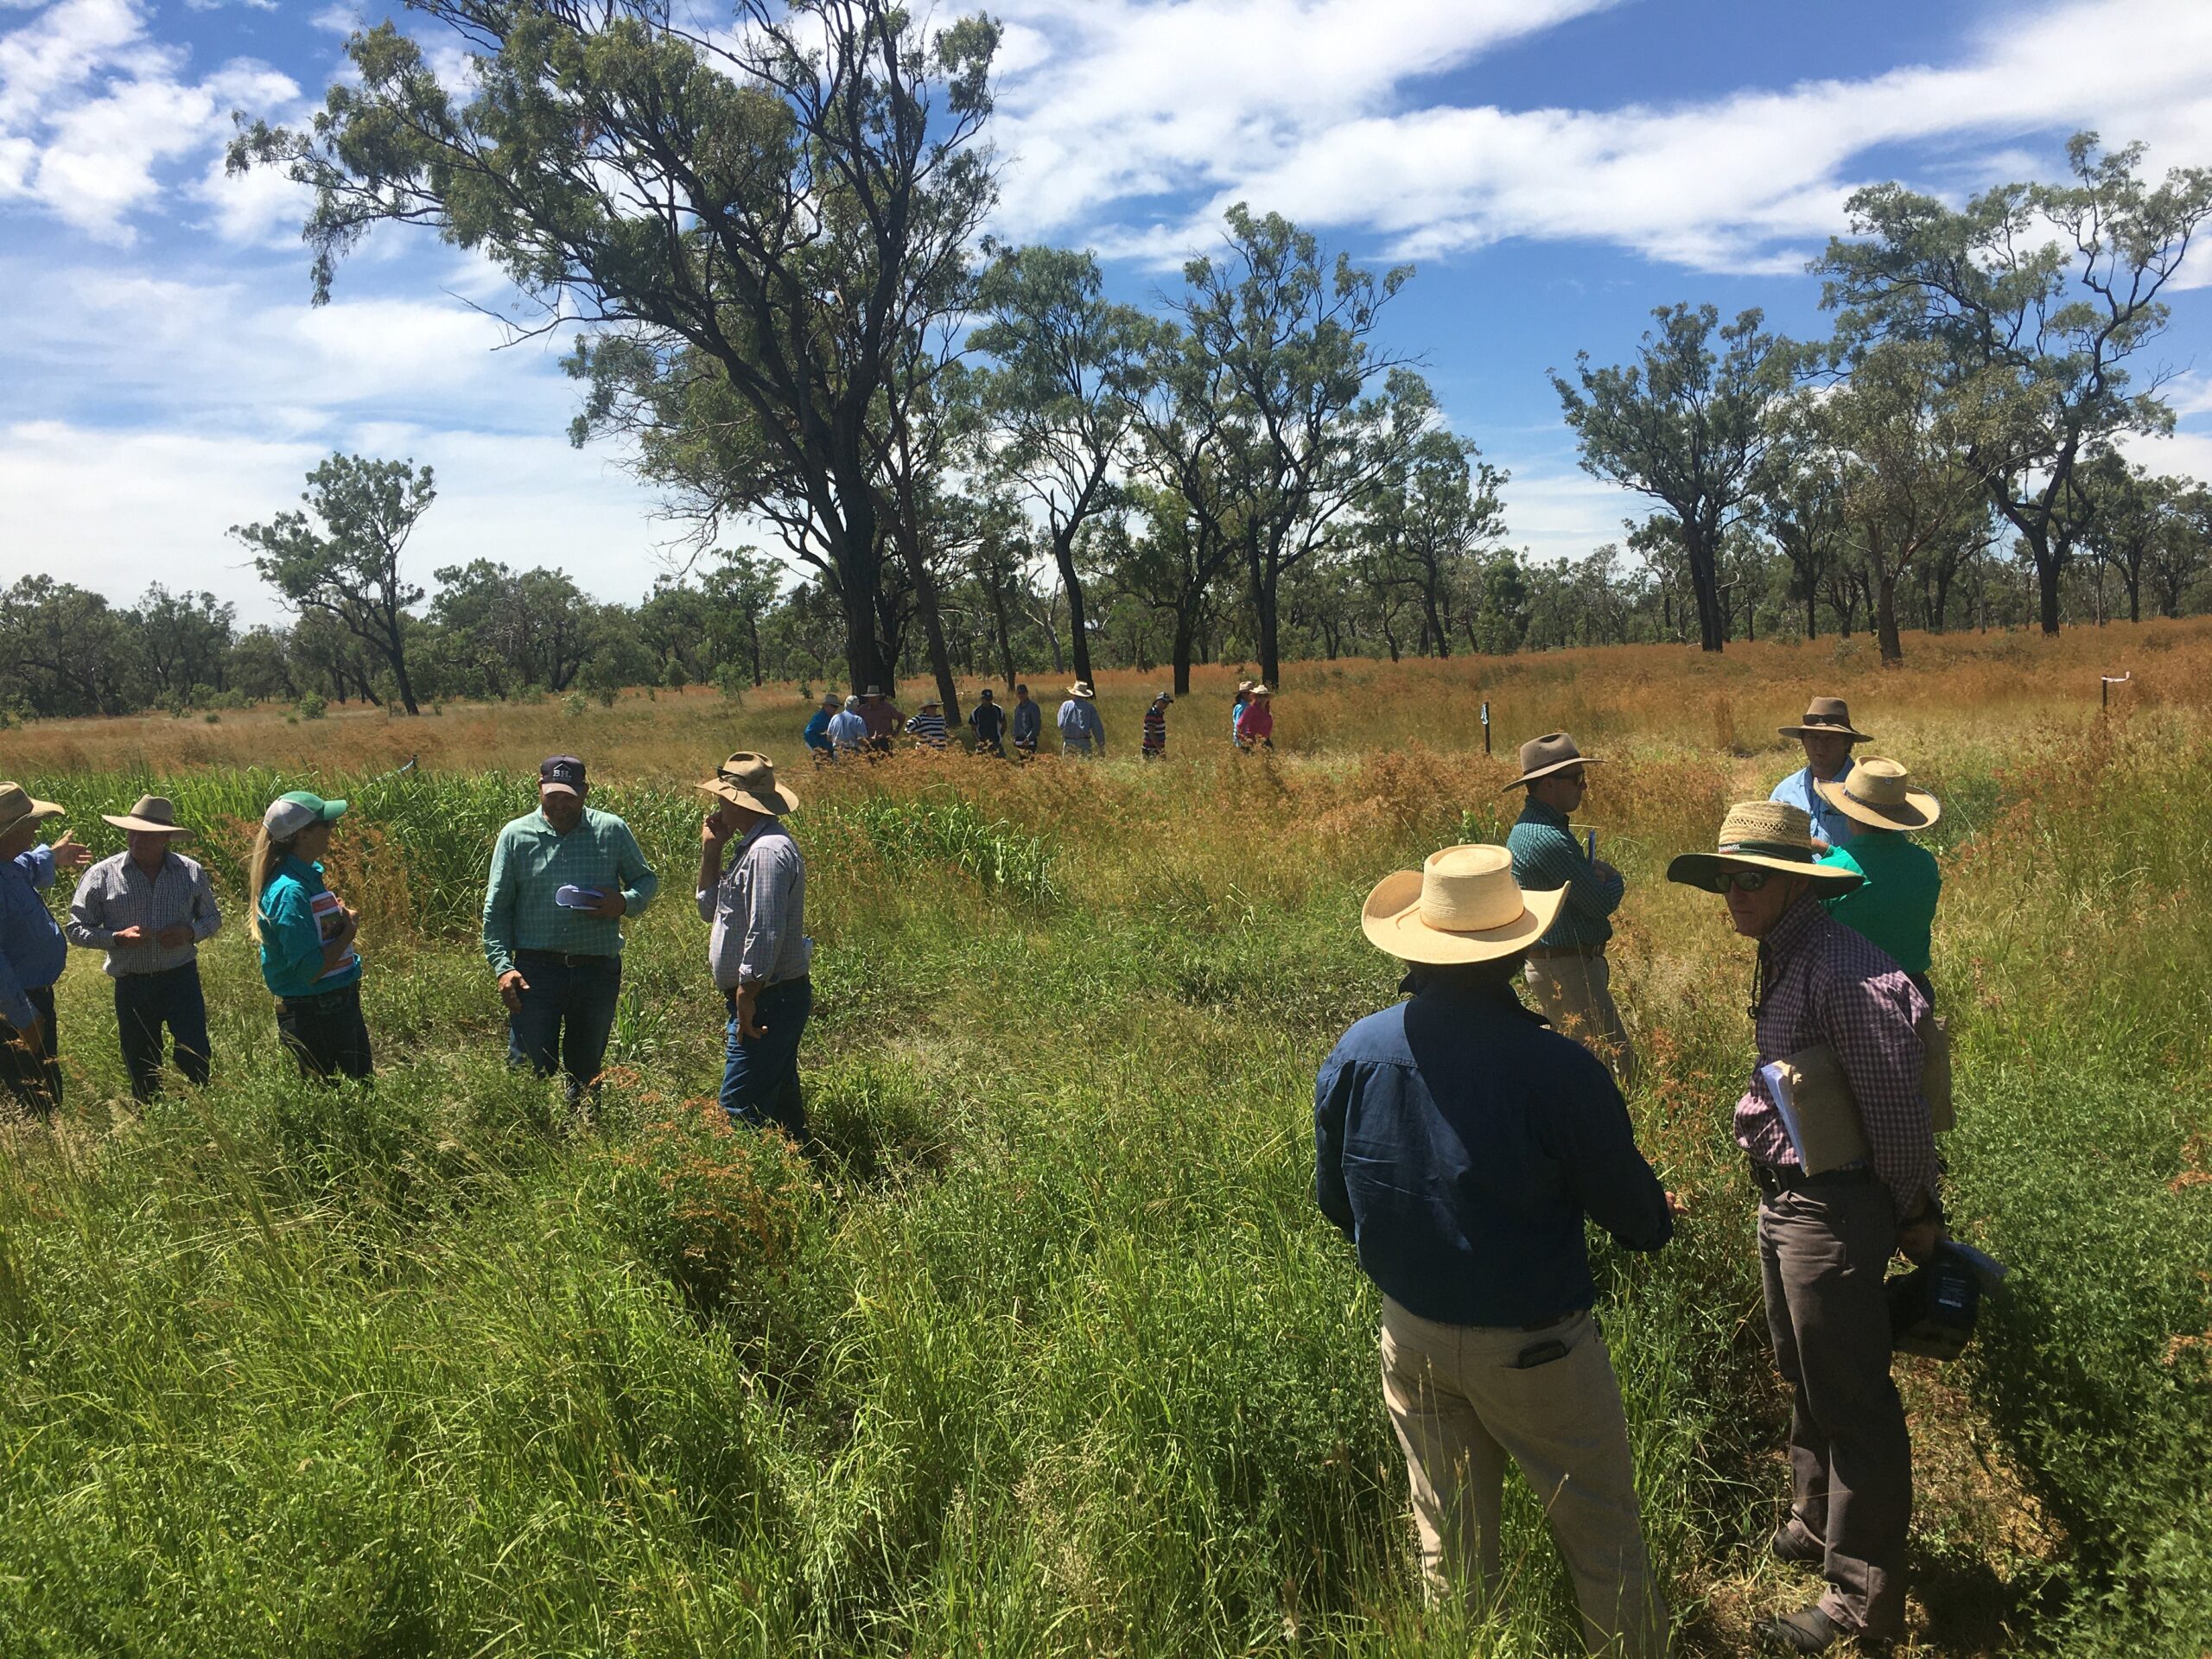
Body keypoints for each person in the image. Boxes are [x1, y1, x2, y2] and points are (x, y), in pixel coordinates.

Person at [1317, 843, 1674, 1657]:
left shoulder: (1358, 1050)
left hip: (1409, 1336)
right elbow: (1633, 1213)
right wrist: (1657, 1219)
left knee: (1449, 1547)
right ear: (1517, 949)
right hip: (1537, 1348)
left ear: (1415, 947)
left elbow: (1337, 1201)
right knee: (1602, 1542)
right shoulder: (1557, 1067)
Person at [1667, 802, 1938, 1654]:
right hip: (1790, 1196)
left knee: (1851, 1397)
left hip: (1833, 1203)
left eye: (1750, 878)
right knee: (1805, 1365)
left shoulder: (1840, 970)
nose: (1732, 894)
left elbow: (1896, 1118)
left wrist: (1910, 1213)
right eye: (1724, 878)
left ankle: (1860, 1600)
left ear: (1793, 883)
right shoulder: (1788, 955)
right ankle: (1812, 1520)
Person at [481, 756, 659, 1108]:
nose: (561, 804)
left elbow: (646, 879)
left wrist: (622, 903)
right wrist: (503, 966)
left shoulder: (610, 830)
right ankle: (531, 1135)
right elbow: (497, 908)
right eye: (553, 795)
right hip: (535, 971)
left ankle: (584, 1132)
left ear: (584, 792)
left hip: (596, 969)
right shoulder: (516, 836)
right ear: (540, 788)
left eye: (569, 796)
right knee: (529, 1065)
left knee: (586, 1066)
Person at [65, 795, 221, 1103]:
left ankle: (199, 1111)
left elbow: (213, 918)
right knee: (141, 1060)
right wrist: (116, 938)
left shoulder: (190, 872)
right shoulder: (102, 875)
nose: (136, 840)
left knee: (195, 1053)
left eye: (146, 834)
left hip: (181, 979)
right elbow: (75, 928)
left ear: (166, 838)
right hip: (132, 983)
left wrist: (190, 932)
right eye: (132, 832)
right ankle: (149, 1116)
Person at [1504, 733, 1637, 1086]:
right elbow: (1599, 903)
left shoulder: (1536, 829)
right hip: (1567, 967)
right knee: (1616, 1067)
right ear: (1549, 784)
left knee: (1591, 1063)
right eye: (1577, 779)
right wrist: (1614, 878)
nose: (1584, 787)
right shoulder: (1547, 838)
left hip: (1560, 963)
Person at [696, 753, 810, 1140]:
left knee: (738, 1108)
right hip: (766, 994)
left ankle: (743, 1186)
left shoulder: (766, 852)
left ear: (737, 801)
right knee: (778, 1101)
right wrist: (712, 850)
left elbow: (766, 929)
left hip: (767, 997)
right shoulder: (751, 845)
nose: (718, 804)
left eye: (723, 797)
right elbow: (708, 909)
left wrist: (747, 993)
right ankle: (800, 1172)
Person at [251, 791, 372, 1083]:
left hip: (332, 1005)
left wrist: (338, 920)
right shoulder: (290, 891)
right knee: (334, 1101)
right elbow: (310, 969)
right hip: (316, 1014)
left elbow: (312, 937)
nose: (332, 830)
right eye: (326, 824)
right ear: (302, 835)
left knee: (355, 1094)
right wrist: (348, 934)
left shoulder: (307, 877)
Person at [1815, 759, 1943, 1006]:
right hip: (1914, 989)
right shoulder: (1925, 862)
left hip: (1855, 993)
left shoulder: (1830, 873)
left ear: (1848, 812)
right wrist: (1832, 852)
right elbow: (1880, 875)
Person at [0, 783, 91, 1117]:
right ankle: (34, 1148)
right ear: (9, 831)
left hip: (29, 999)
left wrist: (53, 855)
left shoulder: (9, 863)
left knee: (41, 1082)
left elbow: (27, 864)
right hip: (13, 1007)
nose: (36, 828)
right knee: (29, 1093)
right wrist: (24, 1018)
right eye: (30, 823)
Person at [1771, 697, 1870, 849]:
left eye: (1830, 738)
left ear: (1847, 743)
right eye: (1813, 737)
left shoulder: (1867, 790)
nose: (1820, 745)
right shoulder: (1785, 792)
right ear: (1803, 741)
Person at [1058, 681, 1106, 759]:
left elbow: (1060, 724)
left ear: (1073, 693)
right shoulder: (1090, 708)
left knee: (1068, 768)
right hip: (1084, 743)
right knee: (1086, 767)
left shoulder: (1065, 706)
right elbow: (1097, 728)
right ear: (1084, 695)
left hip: (1069, 741)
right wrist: (1101, 746)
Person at [858, 685, 904, 755]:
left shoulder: (886, 708)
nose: (871, 699)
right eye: (870, 697)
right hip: (869, 742)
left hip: (885, 742)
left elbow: (901, 717)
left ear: (878, 697)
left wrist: (896, 732)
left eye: (874, 697)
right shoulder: (863, 710)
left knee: (887, 763)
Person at [802, 694, 841, 765]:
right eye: (834, 706)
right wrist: (818, 749)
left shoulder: (830, 718)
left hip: (829, 751)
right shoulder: (820, 719)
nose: (836, 708)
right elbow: (808, 733)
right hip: (823, 752)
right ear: (826, 706)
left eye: (837, 706)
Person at [969, 687, 1008, 757]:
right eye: (986, 699)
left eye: (989, 699)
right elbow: (973, 729)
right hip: (982, 743)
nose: (988, 701)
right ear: (982, 699)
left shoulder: (998, 710)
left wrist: (999, 737)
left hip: (995, 743)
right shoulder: (976, 712)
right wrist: (979, 742)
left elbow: (1004, 725)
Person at [1235, 683, 1274, 751]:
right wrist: (1244, 738)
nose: (1262, 699)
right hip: (1253, 742)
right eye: (1260, 696)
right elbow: (1240, 724)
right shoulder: (1251, 709)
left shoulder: (1266, 711)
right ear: (1255, 697)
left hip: (1266, 742)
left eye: (1264, 696)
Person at [828, 694, 868, 760]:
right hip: (852, 753)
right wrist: (871, 740)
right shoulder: (858, 720)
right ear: (856, 706)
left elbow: (829, 737)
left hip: (837, 753)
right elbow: (861, 740)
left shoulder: (834, 718)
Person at [1011, 683, 1042, 759]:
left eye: (1023, 693)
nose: (1021, 695)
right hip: (1019, 740)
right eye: (1019, 693)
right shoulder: (1017, 708)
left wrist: (1029, 738)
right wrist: (1014, 737)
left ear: (1027, 693)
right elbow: (1016, 724)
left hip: (1030, 741)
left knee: (1029, 764)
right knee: (1022, 763)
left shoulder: (1033, 707)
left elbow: (1036, 725)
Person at [1141, 691, 1173, 759]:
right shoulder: (1152, 713)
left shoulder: (1160, 713)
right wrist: (1160, 750)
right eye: (1164, 702)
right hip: (1150, 749)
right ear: (1158, 701)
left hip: (1156, 749)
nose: (1166, 705)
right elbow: (1151, 733)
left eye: (1167, 703)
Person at [1230, 678, 1254, 745]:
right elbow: (1239, 726)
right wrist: (1243, 740)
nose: (1252, 695)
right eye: (1249, 693)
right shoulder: (1242, 708)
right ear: (1243, 694)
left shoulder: (1246, 706)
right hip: (1243, 741)